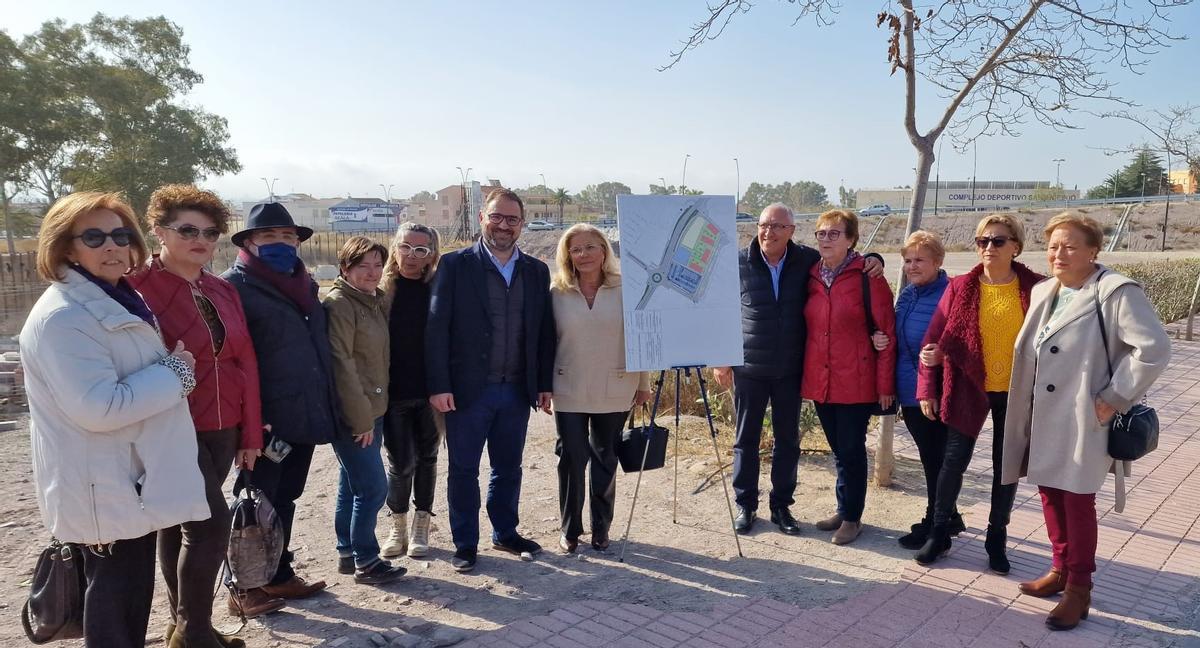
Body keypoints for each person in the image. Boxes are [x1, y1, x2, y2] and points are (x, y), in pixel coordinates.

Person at [20, 191, 208, 648]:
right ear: (66, 247)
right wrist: (177, 373)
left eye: (120, 235)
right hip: (102, 486)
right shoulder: (65, 317)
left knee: (125, 604)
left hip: (122, 480)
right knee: (114, 612)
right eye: (95, 236)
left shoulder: (115, 300)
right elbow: (99, 407)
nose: (112, 246)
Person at [1002, 213, 1169, 631]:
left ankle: (1080, 588)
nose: (1059, 254)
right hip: (1042, 414)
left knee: (1077, 501)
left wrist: (1114, 398)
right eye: (1054, 245)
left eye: (1071, 246)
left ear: (1094, 250)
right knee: (1049, 493)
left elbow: (1153, 348)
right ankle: (1059, 569)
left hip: (1084, 415)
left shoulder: (1114, 292)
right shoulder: (1046, 290)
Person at [130, 185, 276, 645]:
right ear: (159, 231)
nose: (201, 239)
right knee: (207, 525)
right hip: (170, 426)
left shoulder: (222, 289)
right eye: (187, 229)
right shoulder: (135, 288)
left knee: (184, 525)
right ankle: (194, 634)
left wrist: (250, 432)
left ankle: (184, 625)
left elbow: (245, 361)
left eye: (210, 232)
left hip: (223, 425)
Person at [713, 204, 884, 536]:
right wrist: (721, 358)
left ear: (792, 231)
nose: (769, 232)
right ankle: (746, 505)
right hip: (749, 367)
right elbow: (720, 311)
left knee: (788, 441)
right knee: (745, 440)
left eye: (778, 226)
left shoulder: (806, 261)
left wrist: (875, 257)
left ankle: (781, 507)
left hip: (791, 369)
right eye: (764, 225)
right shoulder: (737, 263)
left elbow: (846, 259)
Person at [427, 188, 556, 573]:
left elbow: (543, 332)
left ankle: (505, 532)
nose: (503, 225)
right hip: (468, 391)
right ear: (482, 218)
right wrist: (439, 384)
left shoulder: (536, 271)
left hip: (516, 390)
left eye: (511, 219)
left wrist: (543, 382)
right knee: (464, 470)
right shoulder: (454, 265)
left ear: (521, 224)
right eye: (496, 217)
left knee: (508, 467)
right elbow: (436, 329)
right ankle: (465, 543)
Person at [222, 202, 338, 611]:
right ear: (249, 242)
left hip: (301, 413)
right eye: (269, 237)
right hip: (263, 420)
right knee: (253, 501)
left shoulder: (302, 283)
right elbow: (231, 361)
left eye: (287, 237)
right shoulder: (232, 287)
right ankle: (243, 588)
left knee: (286, 497)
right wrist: (250, 421)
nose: (281, 244)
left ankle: (278, 575)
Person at [915, 213, 1044, 572]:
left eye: (998, 241)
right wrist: (927, 386)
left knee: (1006, 468)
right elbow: (933, 341)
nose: (988, 247)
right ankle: (940, 534)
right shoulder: (960, 287)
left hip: (1017, 392)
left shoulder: (1037, 287)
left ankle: (996, 538)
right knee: (952, 462)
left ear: (1015, 246)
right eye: (982, 241)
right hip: (969, 386)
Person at [550, 224, 650, 553]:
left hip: (616, 385)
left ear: (604, 250)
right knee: (571, 458)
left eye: (591, 247)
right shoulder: (557, 291)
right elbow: (545, 342)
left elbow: (640, 339)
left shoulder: (627, 289)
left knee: (605, 458)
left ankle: (601, 527)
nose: (584, 254)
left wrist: (644, 384)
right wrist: (542, 386)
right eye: (576, 249)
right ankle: (570, 529)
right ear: (568, 255)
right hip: (569, 387)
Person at [801, 209, 896, 545]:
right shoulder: (811, 274)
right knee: (839, 451)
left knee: (852, 450)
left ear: (851, 239)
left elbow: (886, 333)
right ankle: (844, 508)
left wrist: (886, 387)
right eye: (821, 233)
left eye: (834, 234)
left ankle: (853, 518)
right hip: (821, 382)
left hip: (856, 381)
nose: (826, 239)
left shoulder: (869, 277)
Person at [323, 236, 407, 585]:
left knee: (351, 484)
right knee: (373, 488)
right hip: (355, 414)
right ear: (346, 268)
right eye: (363, 266)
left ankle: (347, 551)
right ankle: (367, 561)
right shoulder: (340, 304)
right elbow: (342, 364)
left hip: (374, 407)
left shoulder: (372, 300)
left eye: (377, 265)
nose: (372, 272)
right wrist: (360, 419)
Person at [890, 231, 964, 551]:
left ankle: (936, 524)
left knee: (936, 461)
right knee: (929, 459)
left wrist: (943, 359)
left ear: (938, 261)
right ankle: (950, 516)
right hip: (908, 391)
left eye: (919, 260)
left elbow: (963, 345)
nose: (912, 266)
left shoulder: (952, 293)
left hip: (934, 394)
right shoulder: (908, 295)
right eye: (908, 260)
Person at [379, 222, 442, 559]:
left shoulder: (438, 288)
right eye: (406, 247)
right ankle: (397, 524)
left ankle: (422, 524)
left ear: (431, 254)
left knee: (428, 458)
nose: (411, 256)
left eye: (420, 250)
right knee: (401, 463)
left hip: (431, 393)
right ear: (395, 246)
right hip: (393, 393)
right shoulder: (381, 287)